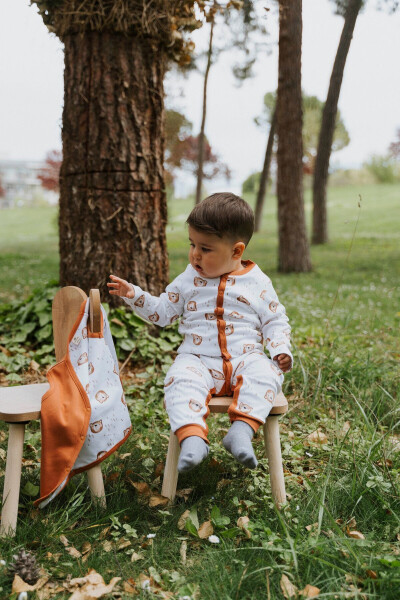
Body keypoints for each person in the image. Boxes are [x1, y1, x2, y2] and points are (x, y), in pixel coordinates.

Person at [108, 192, 292, 473]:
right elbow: (163, 313)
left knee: (267, 374)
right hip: (198, 360)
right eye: (192, 244)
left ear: (236, 251)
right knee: (179, 378)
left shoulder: (258, 283)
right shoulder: (187, 280)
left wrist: (280, 348)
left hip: (246, 358)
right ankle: (193, 438)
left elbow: (275, 320)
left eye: (205, 249)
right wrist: (134, 295)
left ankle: (241, 431)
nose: (195, 254)